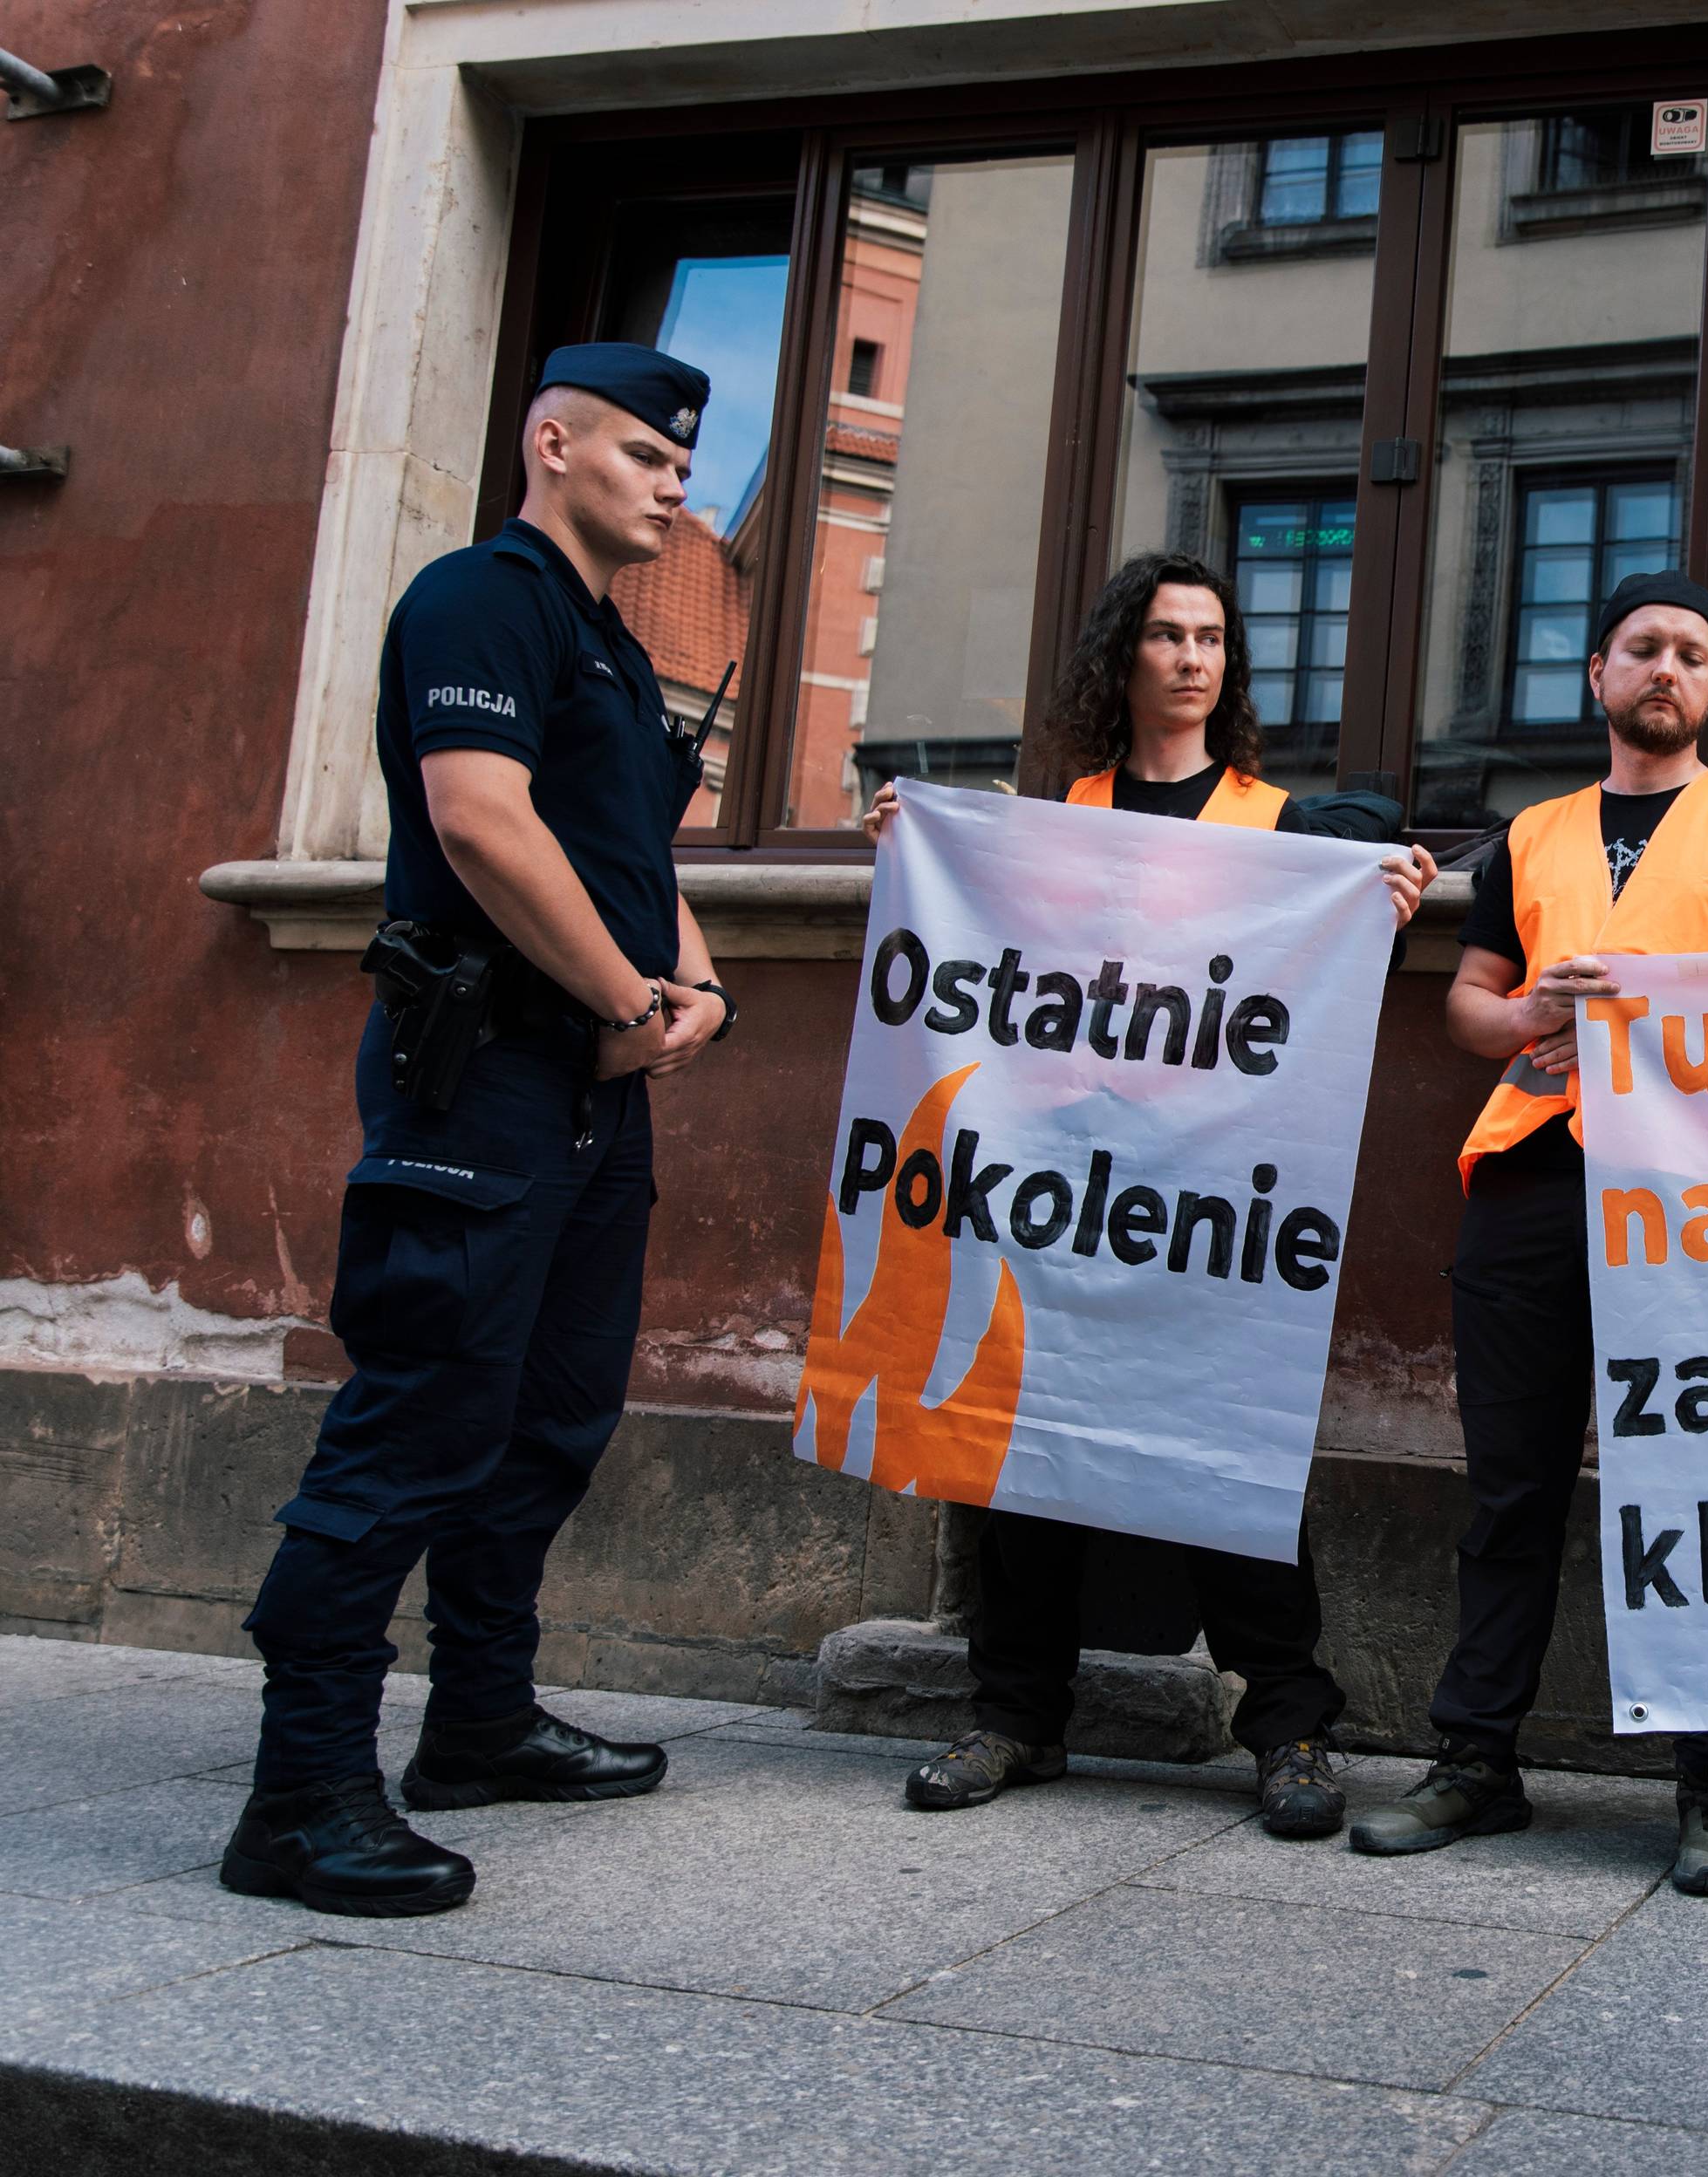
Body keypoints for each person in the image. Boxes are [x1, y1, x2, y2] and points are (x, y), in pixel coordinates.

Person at [225, 345, 740, 1917]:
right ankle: (303, 1794)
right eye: (648, 455)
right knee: (421, 1421)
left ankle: (480, 1721)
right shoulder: (477, 598)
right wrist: (626, 1007)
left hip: (593, 1096)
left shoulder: (603, 644)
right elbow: (479, 819)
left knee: (552, 1417)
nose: (676, 483)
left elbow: (631, 853)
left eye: (680, 461)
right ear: (554, 442)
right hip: (488, 1079)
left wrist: (693, 984)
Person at [863, 549, 1435, 1839]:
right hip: (1060, 1197)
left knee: (1230, 1466)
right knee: (1027, 1463)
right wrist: (912, 853)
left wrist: (1380, 900)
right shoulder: (1056, 817)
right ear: (1124, 657)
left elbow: (1313, 977)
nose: (1192, 657)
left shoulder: (1281, 830)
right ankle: (1014, 1716)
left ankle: (1288, 1730)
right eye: (1169, 635)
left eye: (1212, 639)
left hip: (1209, 1212)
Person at [1348, 570, 1708, 1895]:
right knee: (1510, 1489)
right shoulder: (1534, 835)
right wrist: (1521, 1022)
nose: (1666, 670)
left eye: (1691, 653)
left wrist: (1673, 999)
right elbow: (1469, 996)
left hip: (1698, 1200)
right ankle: (1475, 1763)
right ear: (1600, 677)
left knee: (1705, 1485)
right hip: (1532, 1180)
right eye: (1643, 650)